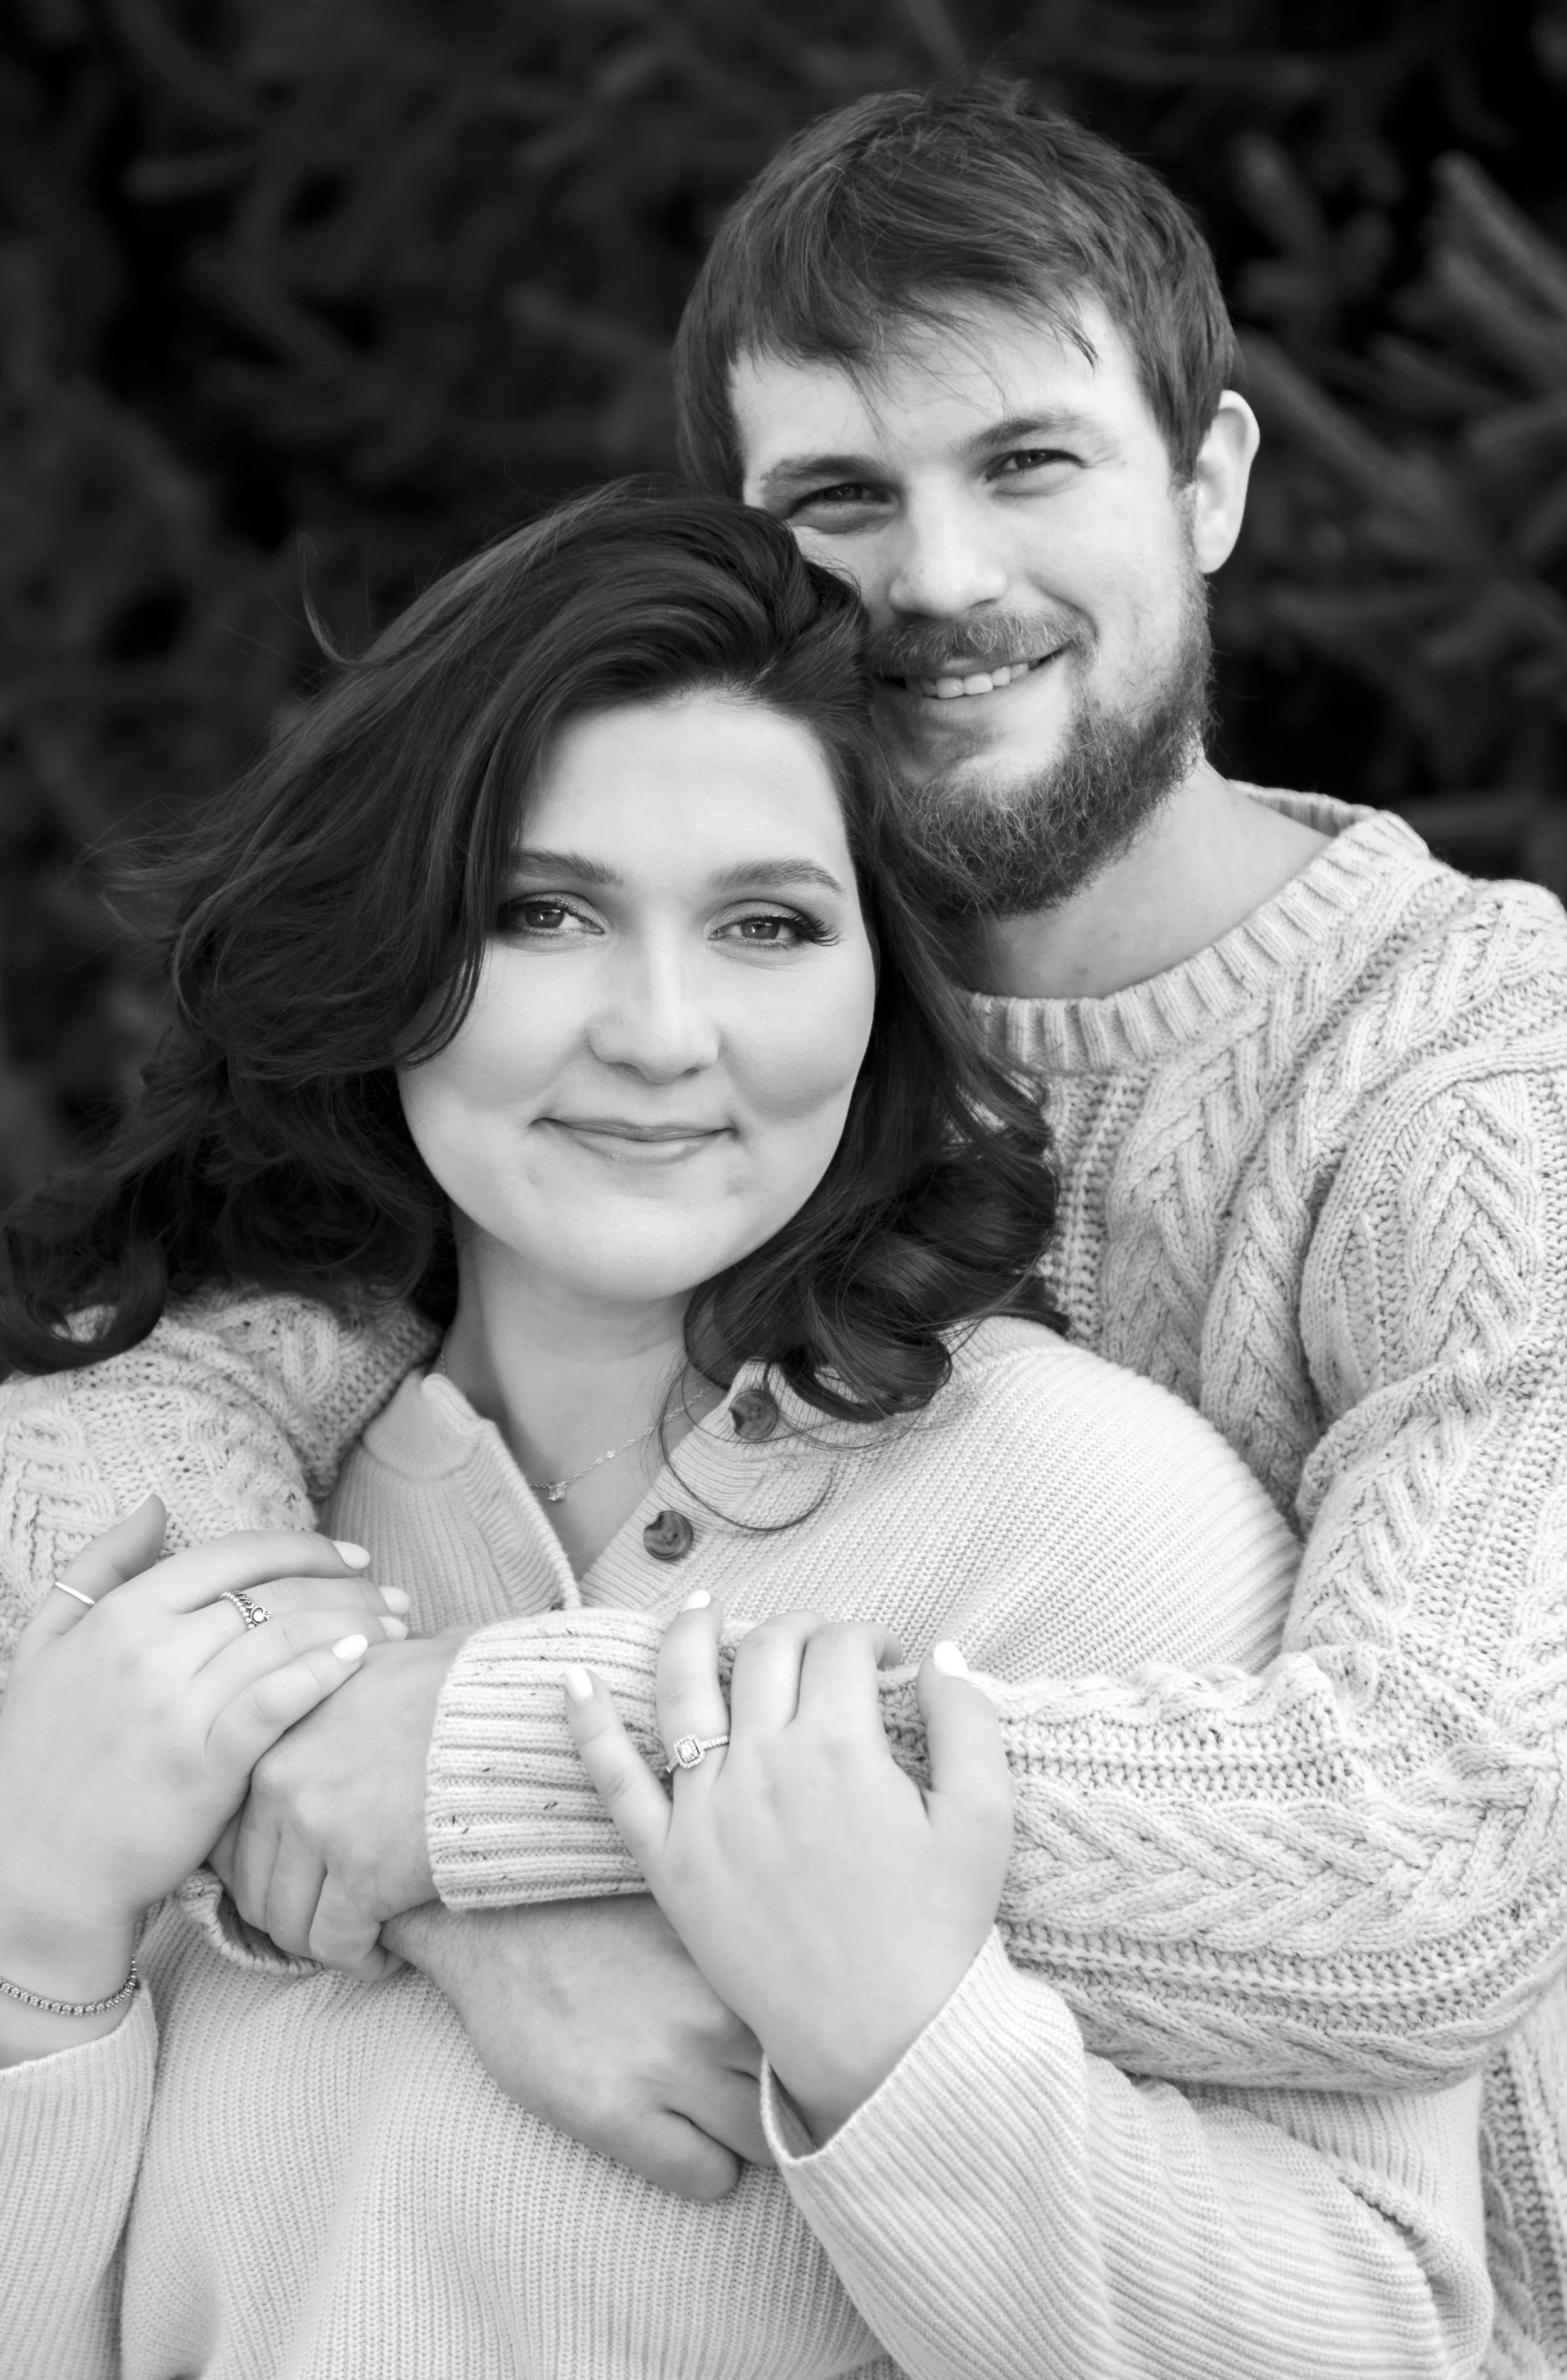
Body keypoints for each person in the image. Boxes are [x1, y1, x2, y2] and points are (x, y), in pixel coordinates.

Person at [4, 69, 1564, 2367]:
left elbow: (1421, 1859)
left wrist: (498, 1775)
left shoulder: (1471, 1072)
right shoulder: (663, 1094)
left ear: (1212, 482)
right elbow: (195, 1400)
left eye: (1026, 463)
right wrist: (421, 1895)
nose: (935, 579)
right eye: (842, 499)